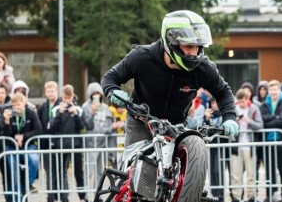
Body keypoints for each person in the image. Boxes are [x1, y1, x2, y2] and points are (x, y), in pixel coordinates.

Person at [101, 10, 238, 148]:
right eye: (188, 46)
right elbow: (110, 78)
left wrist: (230, 118)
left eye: (197, 46)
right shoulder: (141, 58)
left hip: (176, 125)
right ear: (171, 42)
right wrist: (112, 91)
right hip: (141, 122)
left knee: (189, 161)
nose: (194, 53)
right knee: (142, 165)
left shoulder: (203, 68)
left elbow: (223, 92)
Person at [49, 85, 86, 202]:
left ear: (72, 96)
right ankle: (62, 200)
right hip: (60, 145)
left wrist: (75, 114)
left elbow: (82, 126)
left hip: (75, 145)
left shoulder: (78, 109)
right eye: (64, 98)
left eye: (68, 98)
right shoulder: (56, 109)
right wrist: (59, 113)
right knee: (60, 173)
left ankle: (83, 199)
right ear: (61, 96)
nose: (67, 101)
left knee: (78, 173)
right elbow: (51, 127)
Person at [2, 93, 41, 202]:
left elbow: (38, 130)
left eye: (18, 104)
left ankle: (29, 183)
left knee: (34, 159)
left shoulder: (31, 113)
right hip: (12, 147)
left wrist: (24, 136)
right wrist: (7, 122)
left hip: (28, 145)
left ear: (24, 104)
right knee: (14, 174)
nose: (16, 107)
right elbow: (6, 134)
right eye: (14, 105)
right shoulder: (9, 114)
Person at [227, 88, 263, 202]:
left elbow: (260, 125)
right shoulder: (233, 110)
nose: (242, 104)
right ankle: (236, 198)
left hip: (250, 146)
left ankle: (251, 197)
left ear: (248, 99)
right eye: (240, 102)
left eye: (244, 101)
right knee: (235, 174)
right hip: (236, 146)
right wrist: (235, 121)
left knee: (251, 173)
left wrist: (249, 122)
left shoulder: (253, 109)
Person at [81, 82, 114, 202]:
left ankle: (97, 197)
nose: (96, 96)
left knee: (100, 172)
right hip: (91, 143)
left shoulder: (105, 108)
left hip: (102, 143)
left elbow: (109, 126)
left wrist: (108, 129)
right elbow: (86, 125)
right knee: (88, 171)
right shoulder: (85, 107)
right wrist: (92, 113)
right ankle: (84, 197)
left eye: (98, 93)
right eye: (94, 93)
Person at [259, 80, 282, 202]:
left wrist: (272, 119)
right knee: (269, 170)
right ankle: (270, 195)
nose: (273, 92)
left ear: (279, 90)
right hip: (268, 141)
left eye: (275, 89)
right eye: (271, 90)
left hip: (281, 140)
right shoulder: (264, 104)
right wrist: (274, 117)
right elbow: (263, 121)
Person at [37, 81, 61, 202]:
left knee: (59, 172)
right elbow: (40, 125)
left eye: (52, 91)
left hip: (59, 143)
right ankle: (51, 199)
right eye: (48, 91)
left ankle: (61, 199)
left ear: (57, 91)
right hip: (46, 144)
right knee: (49, 173)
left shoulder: (62, 105)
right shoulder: (43, 107)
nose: (50, 93)